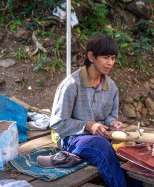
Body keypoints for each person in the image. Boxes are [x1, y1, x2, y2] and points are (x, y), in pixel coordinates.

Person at [50, 34, 127, 187]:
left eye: (113, 58)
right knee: (100, 146)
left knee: (132, 146)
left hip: (100, 137)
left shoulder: (111, 87)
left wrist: (113, 123)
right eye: (105, 57)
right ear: (91, 56)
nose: (110, 63)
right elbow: (57, 123)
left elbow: (110, 116)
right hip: (70, 139)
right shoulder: (71, 85)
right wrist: (88, 125)